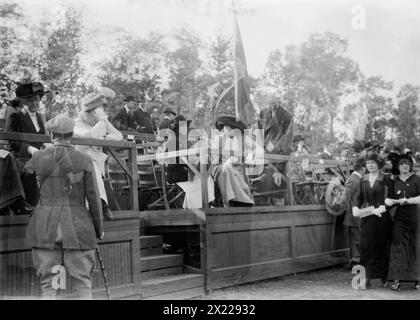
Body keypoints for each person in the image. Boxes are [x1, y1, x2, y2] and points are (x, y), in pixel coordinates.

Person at [23, 114, 103, 299]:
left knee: (51, 284)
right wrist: (98, 229)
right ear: (71, 134)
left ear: (51, 135)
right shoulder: (84, 160)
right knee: (83, 283)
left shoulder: (37, 158)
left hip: (44, 226)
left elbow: (26, 189)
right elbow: (93, 198)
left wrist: (39, 206)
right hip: (78, 226)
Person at [74, 93, 123, 220]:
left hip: (97, 163)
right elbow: (91, 136)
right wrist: (102, 120)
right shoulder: (79, 123)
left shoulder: (101, 121)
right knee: (93, 170)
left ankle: (102, 207)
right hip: (80, 162)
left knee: (96, 171)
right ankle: (103, 206)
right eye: (99, 109)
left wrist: (105, 137)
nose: (102, 112)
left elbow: (119, 136)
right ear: (91, 110)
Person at [353, 150, 393, 289]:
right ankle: (366, 278)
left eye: (373, 163)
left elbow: (391, 197)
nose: (370, 165)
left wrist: (384, 207)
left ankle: (384, 277)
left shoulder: (386, 178)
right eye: (368, 163)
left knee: (382, 246)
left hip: (382, 218)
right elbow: (358, 198)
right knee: (366, 247)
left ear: (378, 164)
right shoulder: (362, 179)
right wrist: (356, 208)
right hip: (367, 217)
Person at [6, 82, 50, 206]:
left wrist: (47, 146)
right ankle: (31, 205)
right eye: (30, 101)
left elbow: (46, 139)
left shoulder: (42, 117)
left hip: (41, 156)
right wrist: (30, 149)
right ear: (24, 102)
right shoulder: (16, 116)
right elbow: (12, 140)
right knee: (31, 169)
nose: (35, 103)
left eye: (37, 99)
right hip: (21, 157)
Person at [385, 154, 420, 290]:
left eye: (407, 163)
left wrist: (410, 200)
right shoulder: (395, 181)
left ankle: (417, 279)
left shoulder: (417, 179)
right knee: (397, 245)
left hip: (415, 216)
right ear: (398, 167)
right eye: (402, 164)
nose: (404, 166)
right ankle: (396, 279)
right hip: (400, 218)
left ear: (410, 166)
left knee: (415, 246)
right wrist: (388, 202)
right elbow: (391, 199)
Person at [210, 114, 258, 207]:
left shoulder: (242, 137)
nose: (227, 130)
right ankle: (232, 201)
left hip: (239, 170)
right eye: (225, 128)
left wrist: (251, 156)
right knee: (226, 170)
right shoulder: (219, 138)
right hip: (221, 168)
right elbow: (213, 157)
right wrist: (228, 160)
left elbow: (257, 148)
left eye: (230, 128)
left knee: (235, 173)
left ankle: (242, 201)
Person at [329, 157, 365, 268]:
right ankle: (355, 262)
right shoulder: (353, 179)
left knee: (358, 239)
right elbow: (345, 198)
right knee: (356, 239)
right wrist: (349, 211)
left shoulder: (357, 178)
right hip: (354, 215)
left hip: (359, 214)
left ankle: (358, 261)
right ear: (362, 168)